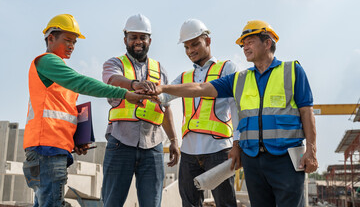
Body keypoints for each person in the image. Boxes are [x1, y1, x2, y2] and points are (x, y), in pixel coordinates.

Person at [152, 20, 318, 207]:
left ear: (267, 42)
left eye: (250, 42)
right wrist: (161, 89)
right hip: (254, 161)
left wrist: (311, 149)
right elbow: (200, 87)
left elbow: (306, 111)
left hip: (285, 159)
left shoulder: (292, 71)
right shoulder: (240, 79)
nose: (245, 47)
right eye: (243, 44)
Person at [22, 14, 152, 207]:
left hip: (53, 149)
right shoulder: (47, 62)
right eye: (67, 40)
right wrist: (125, 93)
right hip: (46, 150)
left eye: (74, 42)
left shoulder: (58, 71)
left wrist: (75, 139)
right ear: (51, 38)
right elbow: (82, 82)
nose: (72, 46)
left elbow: (61, 112)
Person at [101, 14, 180, 207]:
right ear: (125, 39)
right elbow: (111, 80)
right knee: (112, 202)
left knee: (152, 203)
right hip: (120, 142)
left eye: (142, 37)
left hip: (152, 146)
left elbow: (165, 107)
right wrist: (134, 84)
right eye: (133, 37)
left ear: (149, 40)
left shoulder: (160, 70)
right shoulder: (114, 64)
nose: (138, 41)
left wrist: (174, 141)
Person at [159, 19, 238, 207]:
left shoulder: (227, 68)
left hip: (219, 150)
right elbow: (163, 97)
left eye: (195, 44)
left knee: (225, 203)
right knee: (189, 204)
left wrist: (238, 144)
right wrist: (140, 90)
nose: (190, 51)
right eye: (186, 47)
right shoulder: (185, 77)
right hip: (189, 153)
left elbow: (237, 108)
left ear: (208, 41)